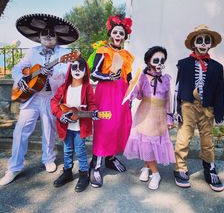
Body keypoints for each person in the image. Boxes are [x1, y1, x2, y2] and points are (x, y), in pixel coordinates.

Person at [0, 13, 80, 186]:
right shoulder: (32, 51)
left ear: (57, 37)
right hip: (32, 96)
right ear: (39, 36)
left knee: (49, 129)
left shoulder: (65, 53)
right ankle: (13, 168)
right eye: (45, 33)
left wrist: (54, 73)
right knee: (20, 131)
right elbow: (17, 68)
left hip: (51, 97)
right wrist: (20, 79)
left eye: (52, 33)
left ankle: (48, 158)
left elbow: (67, 74)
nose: (48, 36)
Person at [173, 24, 224, 192]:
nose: (203, 44)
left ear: (210, 44)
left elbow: (220, 90)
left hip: (207, 107)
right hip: (188, 105)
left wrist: (219, 111)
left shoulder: (217, 67)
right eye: (200, 40)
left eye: (206, 41)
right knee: (183, 138)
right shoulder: (183, 63)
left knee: (207, 140)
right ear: (194, 43)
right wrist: (176, 110)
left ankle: (209, 168)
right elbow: (177, 88)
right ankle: (180, 167)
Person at [89, 14, 134, 187]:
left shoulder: (126, 55)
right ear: (110, 34)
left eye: (121, 33)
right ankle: (96, 165)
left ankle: (111, 158)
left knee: (118, 126)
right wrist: (108, 76)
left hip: (121, 94)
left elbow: (128, 78)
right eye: (115, 32)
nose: (118, 36)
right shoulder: (103, 51)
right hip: (105, 93)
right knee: (104, 126)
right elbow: (94, 73)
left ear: (124, 37)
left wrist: (129, 96)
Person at [124, 46, 176, 190]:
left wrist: (169, 118)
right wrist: (132, 93)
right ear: (148, 62)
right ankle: (155, 172)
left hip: (159, 116)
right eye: (156, 60)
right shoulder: (142, 77)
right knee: (146, 142)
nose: (159, 63)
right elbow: (138, 94)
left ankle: (147, 168)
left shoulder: (165, 79)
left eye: (162, 60)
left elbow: (168, 99)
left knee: (153, 144)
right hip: (145, 114)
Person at [51, 54, 98, 192]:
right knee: (67, 150)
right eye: (74, 67)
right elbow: (54, 102)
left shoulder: (87, 87)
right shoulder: (64, 87)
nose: (77, 70)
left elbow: (92, 104)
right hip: (66, 125)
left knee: (81, 151)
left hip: (80, 126)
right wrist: (60, 115)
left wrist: (94, 112)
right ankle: (67, 173)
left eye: (81, 68)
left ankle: (84, 175)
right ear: (70, 69)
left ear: (85, 71)